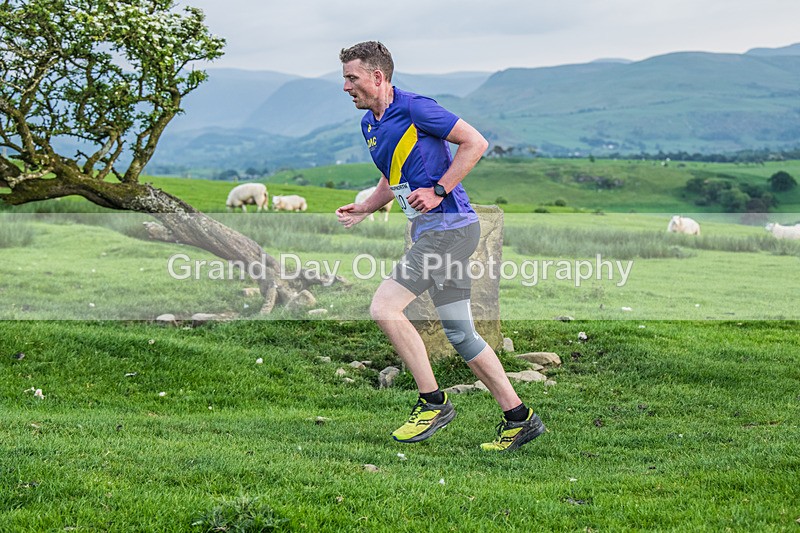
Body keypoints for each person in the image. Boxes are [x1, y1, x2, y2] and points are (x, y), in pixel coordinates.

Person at [335, 41, 545, 452]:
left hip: (447, 229)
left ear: (378, 77)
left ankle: (433, 403)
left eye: (351, 78)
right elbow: (391, 175)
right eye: (344, 78)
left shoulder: (416, 108)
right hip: (439, 232)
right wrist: (366, 207)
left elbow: (475, 142)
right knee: (462, 334)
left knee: (384, 307)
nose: (346, 87)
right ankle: (519, 418)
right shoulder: (370, 124)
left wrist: (438, 190)